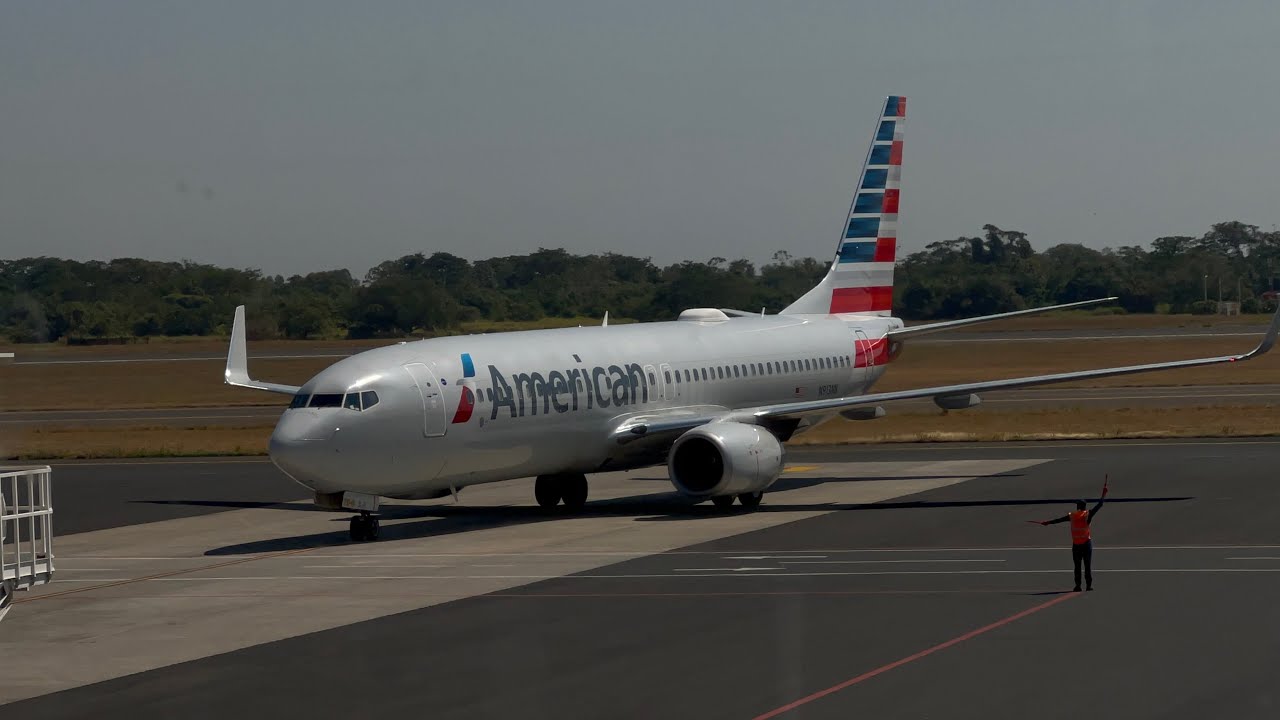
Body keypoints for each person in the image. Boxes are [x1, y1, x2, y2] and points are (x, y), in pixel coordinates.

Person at [1034, 478, 1108, 592]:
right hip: (1086, 544)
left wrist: (1047, 522)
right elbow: (1099, 505)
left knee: (1077, 566)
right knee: (1087, 565)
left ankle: (1078, 586)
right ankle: (1089, 586)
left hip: (1076, 545)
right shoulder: (1088, 514)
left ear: (1077, 507)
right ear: (1084, 507)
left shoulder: (1072, 516)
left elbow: (1059, 520)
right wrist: (1103, 494)